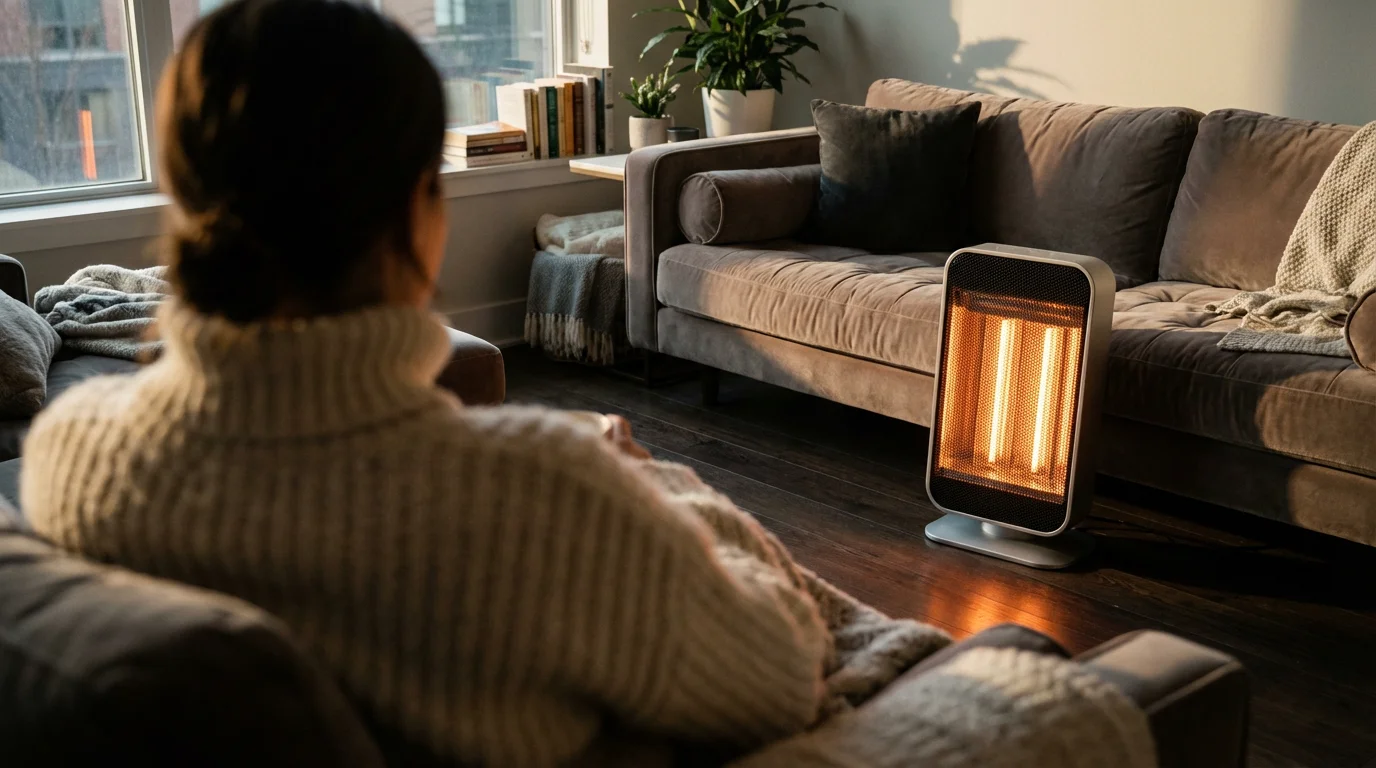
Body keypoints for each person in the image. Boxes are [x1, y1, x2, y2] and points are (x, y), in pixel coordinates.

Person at [19, 0, 830, 764]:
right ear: (417, 207)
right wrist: (665, 492)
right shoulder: (547, 493)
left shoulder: (71, 456)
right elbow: (784, 675)